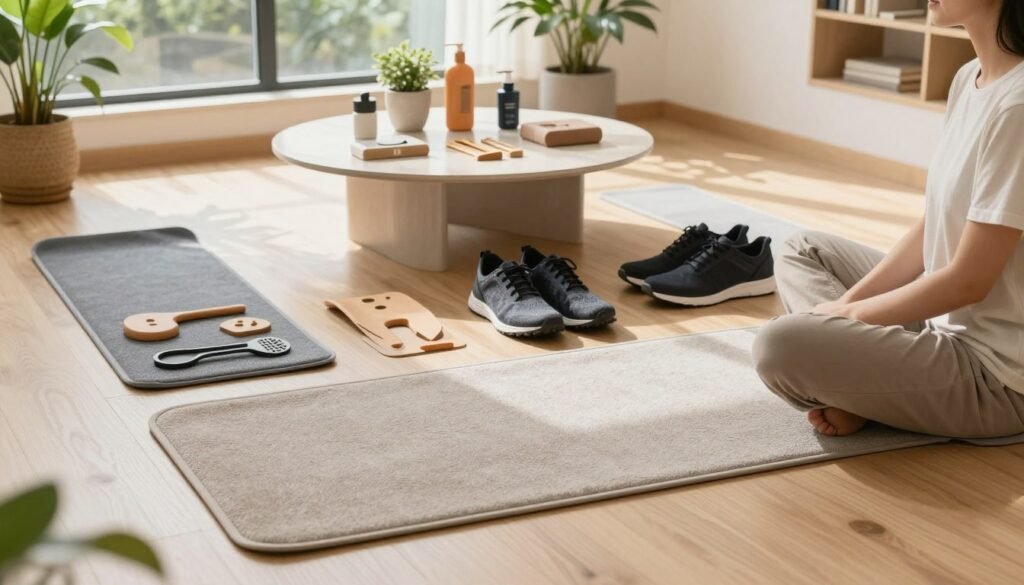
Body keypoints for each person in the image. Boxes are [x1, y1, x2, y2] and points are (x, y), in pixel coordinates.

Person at [753, 0, 1024, 438]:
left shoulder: (1018, 106)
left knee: (777, 345)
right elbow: (933, 224)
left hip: (994, 375)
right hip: (940, 325)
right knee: (802, 249)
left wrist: (849, 320)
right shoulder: (967, 78)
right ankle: (859, 387)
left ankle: (858, 384)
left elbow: (970, 282)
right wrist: (845, 308)